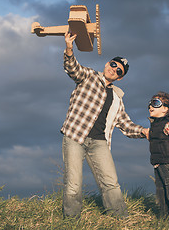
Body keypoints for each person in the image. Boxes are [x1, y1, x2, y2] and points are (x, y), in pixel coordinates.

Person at [61, 32, 149, 219]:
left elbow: (125, 125)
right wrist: (69, 48)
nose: (114, 69)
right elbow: (72, 68)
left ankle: (119, 220)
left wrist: (144, 131)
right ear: (107, 64)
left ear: (120, 78)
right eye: (113, 64)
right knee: (74, 183)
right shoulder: (89, 76)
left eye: (119, 71)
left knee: (111, 183)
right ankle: (71, 221)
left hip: (99, 143)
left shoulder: (117, 98)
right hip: (76, 136)